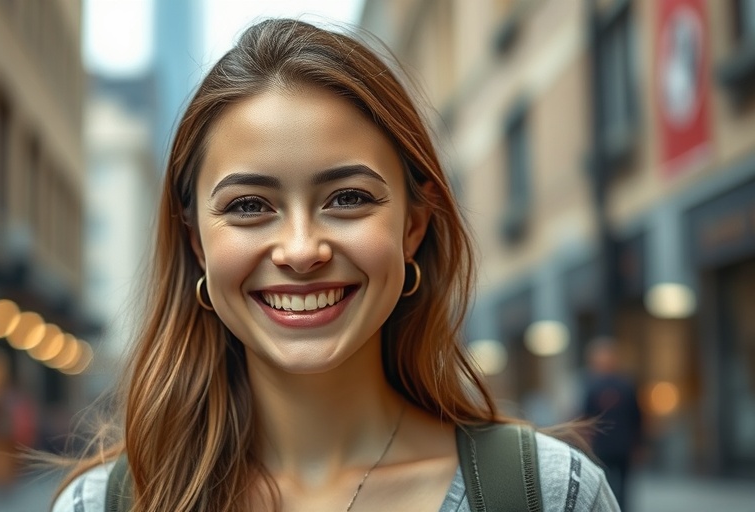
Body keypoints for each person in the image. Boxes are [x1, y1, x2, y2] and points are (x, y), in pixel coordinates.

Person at [53, 19, 619, 511]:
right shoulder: (101, 505)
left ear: (413, 227)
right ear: (196, 242)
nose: (301, 251)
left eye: (348, 198)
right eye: (250, 206)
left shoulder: (551, 495)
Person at [582, 338, 643, 511]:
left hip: (623, 445)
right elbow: (586, 418)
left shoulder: (626, 385)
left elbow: (636, 417)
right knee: (605, 488)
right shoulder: (592, 386)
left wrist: (638, 444)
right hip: (602, 446)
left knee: (623, 489)